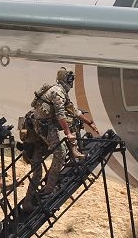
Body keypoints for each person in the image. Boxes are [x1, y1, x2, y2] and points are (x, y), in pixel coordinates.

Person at [24, 67, 99, 204]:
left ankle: (74, 150)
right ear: (64, 79)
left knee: (73, 121)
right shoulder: (58, 92)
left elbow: (73, 110)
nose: (72, 82)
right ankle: (49, 187)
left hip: (48, 122)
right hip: (44, 126)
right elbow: (60, 115)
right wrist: (68, 133)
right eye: (70, 79)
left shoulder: (61, 91)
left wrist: (90, 122)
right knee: (60, 152)